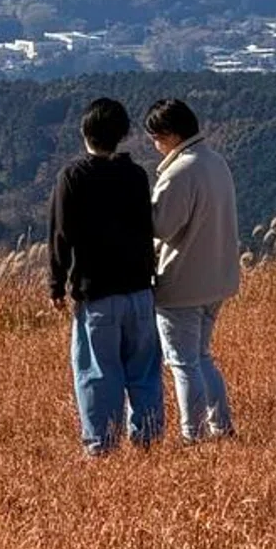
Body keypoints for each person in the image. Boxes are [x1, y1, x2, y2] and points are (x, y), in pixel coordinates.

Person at [49, 97, 164, 455]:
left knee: (98, 375)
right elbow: (147, 228)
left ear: (84, 132)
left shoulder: (74, 176)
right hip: (140, 292)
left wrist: (56, 283)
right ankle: (147, 442)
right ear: (124, 134)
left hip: (97, 293)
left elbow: (60, 234)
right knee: (144, 372)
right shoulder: (135, 175)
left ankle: (101, 448)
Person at [146, 97, 241, 443]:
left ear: (170, 134)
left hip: (183, 283)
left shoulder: (179, 172)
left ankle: (193, 435)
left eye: (155, 136)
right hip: (218, 279)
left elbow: (161, 226)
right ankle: (222, 425)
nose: (154, 144)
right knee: (202, 356)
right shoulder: (216, 162)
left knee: (183, 363)